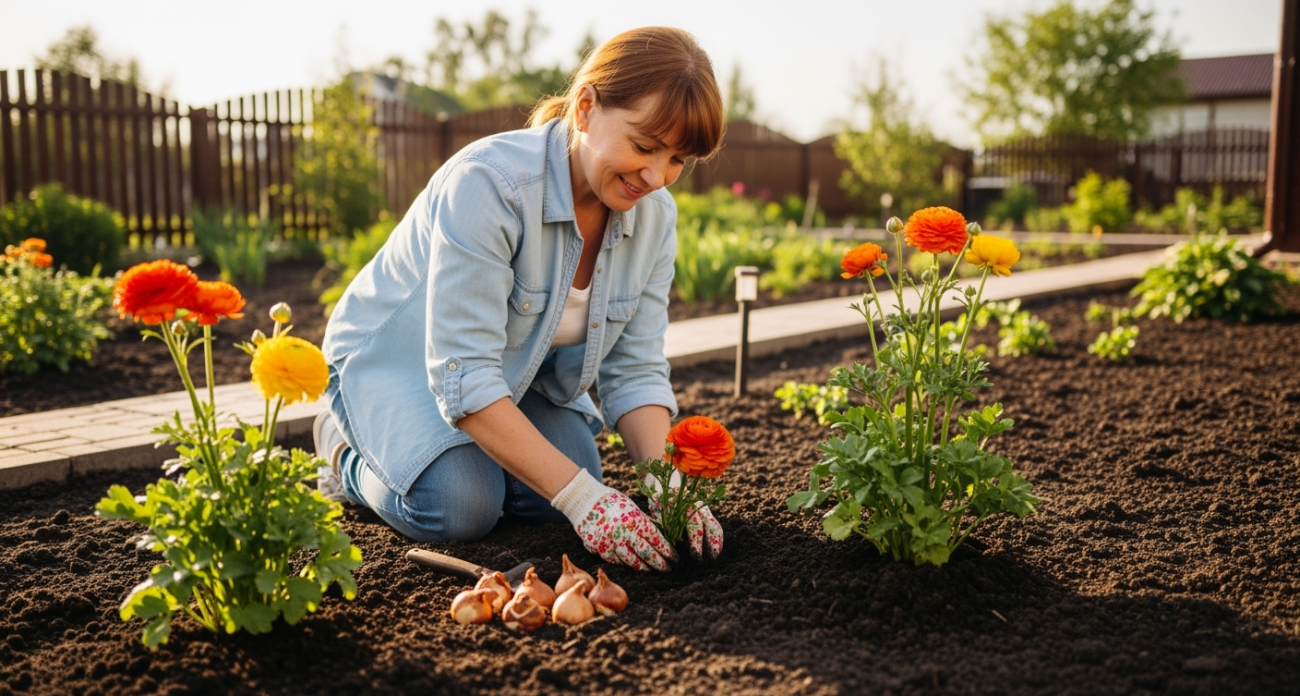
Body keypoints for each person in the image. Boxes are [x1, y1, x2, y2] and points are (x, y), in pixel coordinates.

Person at [312, 27, 726, 571]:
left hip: (517, 373)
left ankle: (473, 456)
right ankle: (343, 452)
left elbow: (635, 369)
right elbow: (465, 373)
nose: (655, 176)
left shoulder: (655, 216)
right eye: (645, 145)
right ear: (585, 108)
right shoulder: (491, 185)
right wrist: (583, 500)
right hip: (395, 362)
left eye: (678, 159)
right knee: (461, 505)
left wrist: (667, 488)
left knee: (553, 501)